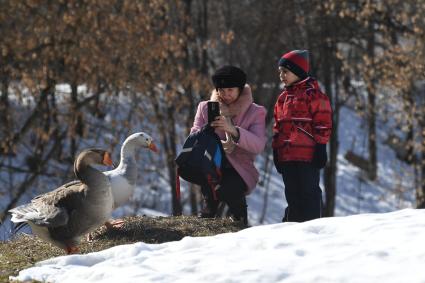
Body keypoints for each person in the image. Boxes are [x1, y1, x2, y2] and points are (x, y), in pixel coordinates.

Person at [191, 65, 266, 225]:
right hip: (211, 165)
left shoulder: (255, 112)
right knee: (209, 204)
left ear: (240, 89)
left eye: (230, 90)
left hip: (240, 168)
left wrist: (233, 130)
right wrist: (207, 130)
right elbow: (193, 138)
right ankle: (206, 222)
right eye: (221, 90)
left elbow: (259, 145)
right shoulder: (205, 108)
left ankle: (240, 222)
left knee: (227, 189)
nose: (226, 95)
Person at [272, 50, 332, 222]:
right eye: (280, 72)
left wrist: (321, 147)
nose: (281, 75)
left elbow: (323, 123)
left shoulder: (313, 95)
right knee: (292, 192)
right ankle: (292, 225)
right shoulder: (282, 98)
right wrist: (276, 150)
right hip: (287, 155)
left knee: (309, 192)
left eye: (285, 71)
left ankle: (312, 225)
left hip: (308, 156)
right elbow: (277, 126)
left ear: (297, 71)